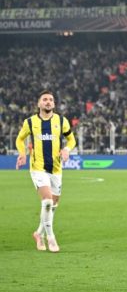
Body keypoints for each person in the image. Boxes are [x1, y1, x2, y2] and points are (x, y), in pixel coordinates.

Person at [15, 90, 76, 252]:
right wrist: (22, 153)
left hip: (56, 168)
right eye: (45, 99)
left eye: (51, 99)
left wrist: (67, 149)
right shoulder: (30, 122)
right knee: (47, 201)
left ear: (54, 104)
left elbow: (71, 139)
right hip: (38, 167)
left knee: (53, 205)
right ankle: (51, 237)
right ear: (39, 103)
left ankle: (38, 233)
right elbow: (20, 139)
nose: (48, 102)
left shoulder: (61, 121)